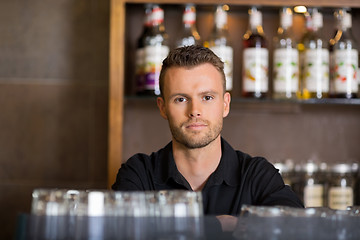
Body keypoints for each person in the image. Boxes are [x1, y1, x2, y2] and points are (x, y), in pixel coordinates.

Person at [112, 45, 303, 216]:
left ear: (225, 104)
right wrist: (223, 225)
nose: (195, 111)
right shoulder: (139, 174)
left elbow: (295, 227)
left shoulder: (256, 175)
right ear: (163, 107)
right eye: (181, 99)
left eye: (207, 97)